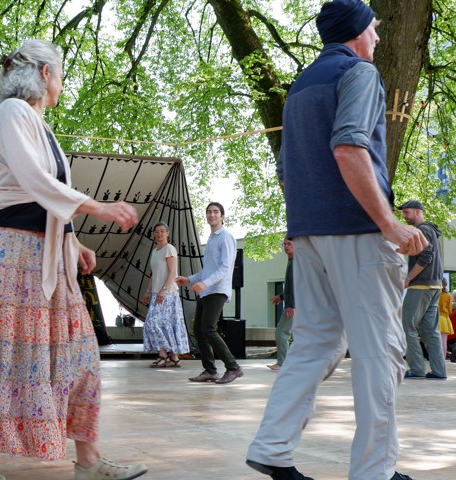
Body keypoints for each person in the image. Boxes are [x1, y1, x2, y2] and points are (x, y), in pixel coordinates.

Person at [0, 39, 148, 480]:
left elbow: (49, 197)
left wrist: (74, 241)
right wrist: (97, 207)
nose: (63, 82)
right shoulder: (12, 112)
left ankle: (88, 460)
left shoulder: (40, 125)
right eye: (61, 73)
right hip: (11, 253)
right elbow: (33, 181)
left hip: (47, 256)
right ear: (46, 74)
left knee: (83, 355)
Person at [245, 2, 427, 479]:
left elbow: (287, 169)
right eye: (374, 28)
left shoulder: (301, 86)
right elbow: (349, 146)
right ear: (355, 32)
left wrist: (310, 217)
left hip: (308, 234)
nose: (379, 38)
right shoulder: (359, 74)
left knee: (314, 345)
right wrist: (388, 223)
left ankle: (271, 448)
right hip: (359, 233)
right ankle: (374, 472)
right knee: (379, 351)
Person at [175, 202, 242, 385]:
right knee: (199, 330)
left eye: (215, 212)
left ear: (222, 216)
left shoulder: (225, 237)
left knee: (208, 329)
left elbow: (225, 268)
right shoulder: (212, 238)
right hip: (207, 290)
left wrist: (204, 283)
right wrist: (188, 279)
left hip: (218, 289)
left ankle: (233, 367)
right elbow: (207, 270)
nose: (212, 215)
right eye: (209, 212)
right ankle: (210, 370)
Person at [398, 199, 446, 380]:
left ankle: (417, 368)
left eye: (407, 212)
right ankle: (439, 371)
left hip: (421, 285)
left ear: (418, 212)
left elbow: (426, 256)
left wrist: (408, 278)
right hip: (434, 286)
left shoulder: (423, 230)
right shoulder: (431, 230)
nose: (404, 216)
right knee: (430, 331)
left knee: (407, 326)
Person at [140, 222, 189, 368]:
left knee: (154, 323)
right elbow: (154, 274)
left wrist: (163, 290)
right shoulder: (155, 251)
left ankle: (164, 355)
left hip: (168, 293)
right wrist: (149, 291)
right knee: (160, 324)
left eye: (162, 231)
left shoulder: (169, 249)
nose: (159, 234)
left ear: (167, 233)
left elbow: (172, 272)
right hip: (156, 292)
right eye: (157, 232)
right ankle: (173, 356)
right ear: (154, 234)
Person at [266, 237, 294, 371]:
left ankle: (283, 363)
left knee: (281, 333)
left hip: (295, 306)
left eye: (289, 244)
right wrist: (281, 296)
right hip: (295, 305)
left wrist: (291, 305)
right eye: (284, 244)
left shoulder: (296, 262)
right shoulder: (292, 261)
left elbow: (298, 286)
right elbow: (291, 285)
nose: (286, 246)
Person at [438, 279, 453, 361]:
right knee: (444, 341)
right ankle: (442, 359)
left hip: (435, 318)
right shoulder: (448, 295)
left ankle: (436, 358)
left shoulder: (435, 293)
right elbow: (450, 310)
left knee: (435, 341)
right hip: (445, 319)